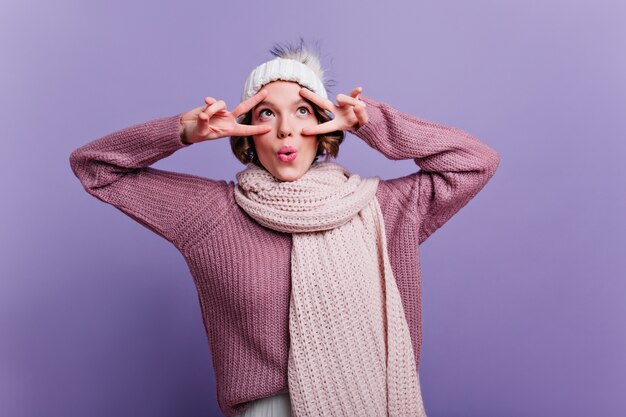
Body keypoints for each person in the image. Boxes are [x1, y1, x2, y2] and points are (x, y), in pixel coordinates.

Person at [69, 39, 500, 417]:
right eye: (266, 113)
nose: (285, 128)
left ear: (323, 124)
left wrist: (374, 124)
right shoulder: (211, 214)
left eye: (302, 111)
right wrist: (182, 132)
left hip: (373, 402)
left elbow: (474, 162)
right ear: (246, 132)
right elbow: (96, 168)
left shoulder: (380, 209)